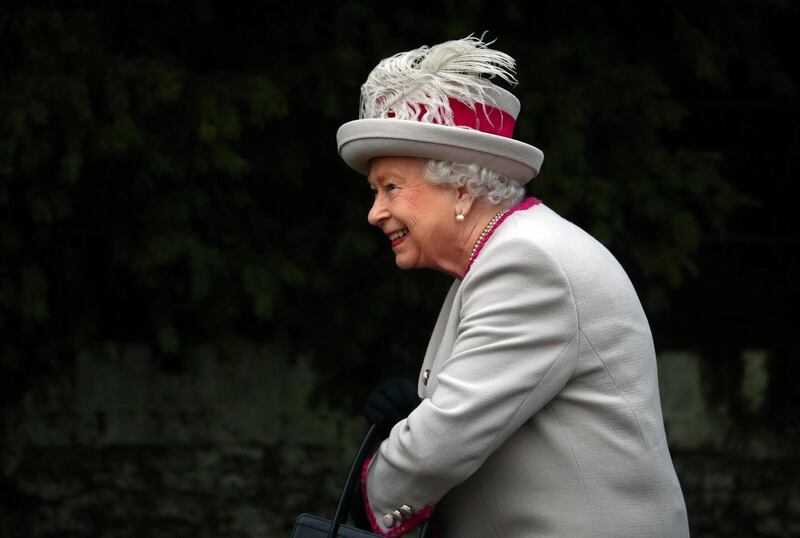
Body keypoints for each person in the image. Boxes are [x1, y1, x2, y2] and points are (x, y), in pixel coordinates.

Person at [336, 36, 689, 537]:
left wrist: (369, 491)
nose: (375, 213)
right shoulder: (504, 256)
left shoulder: (526, 262)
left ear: (460, 188)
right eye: (375, 192)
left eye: (391, 187)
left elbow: (443, 441)